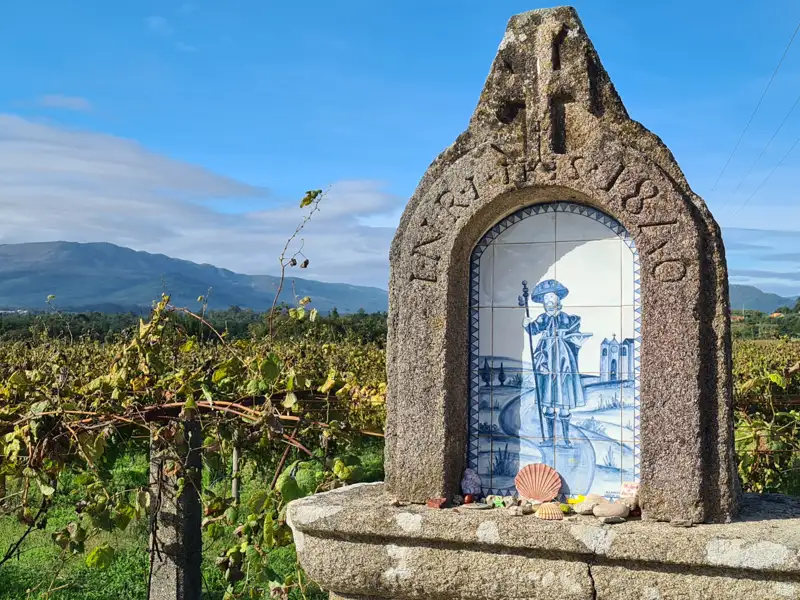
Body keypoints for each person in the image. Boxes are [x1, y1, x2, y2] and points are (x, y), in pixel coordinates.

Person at [522, 279, 591, 447]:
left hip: (563, 360)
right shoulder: (542, 318)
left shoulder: (567, 318)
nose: (548, 301)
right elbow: (533, 330)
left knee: (564, 399)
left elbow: (574, 335)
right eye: (546, 299)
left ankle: (566, 439)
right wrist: (527, 325)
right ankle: (549, 439)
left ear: (558, 300)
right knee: (548, 400)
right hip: (546, 359)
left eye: (551, 297)